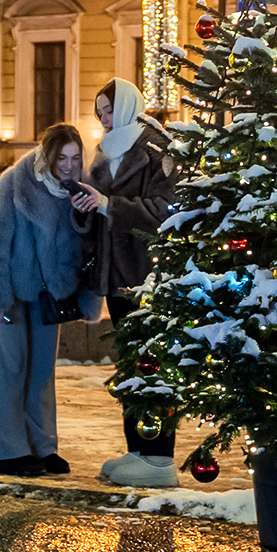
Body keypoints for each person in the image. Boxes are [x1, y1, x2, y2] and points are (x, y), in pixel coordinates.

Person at [0, 123, 102, 477]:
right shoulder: (15, 183)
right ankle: (11, 451)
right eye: (62, 157)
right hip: (11, 295)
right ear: (47, 155)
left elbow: (87, 250)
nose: (69, 165)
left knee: (42, 372)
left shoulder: (80, 192)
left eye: (75, 158)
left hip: (49, 297)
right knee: (9, 369)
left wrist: (82, 218)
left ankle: (44, 447)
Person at [83, 78, 182, 488]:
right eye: (99, 114)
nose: (104, 120)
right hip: (117, 276)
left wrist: (109, 205)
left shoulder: (159, 150)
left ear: (126, 106)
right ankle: (138, 449)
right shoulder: (107, 153)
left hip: (147, 275)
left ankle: (160, 458)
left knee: (152, 363)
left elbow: (167, 210)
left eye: (108, 111)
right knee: (130, 364)